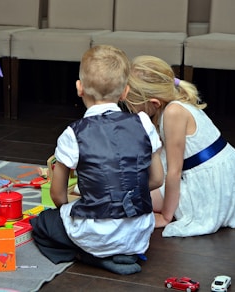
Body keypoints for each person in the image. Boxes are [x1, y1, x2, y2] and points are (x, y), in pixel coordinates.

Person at [30, 45, 164, 275]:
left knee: (42, 223)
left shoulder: (73, 133)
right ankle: (123, 254)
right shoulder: (143, 123)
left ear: (79, 88)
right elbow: (157, 179)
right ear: (125, 92)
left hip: (95, 234)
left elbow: (58, 195)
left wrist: (71, 210)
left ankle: (93, 257)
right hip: (139, 232)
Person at [124, 55, 235, 237]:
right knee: (137, 183)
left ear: (154, 103)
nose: (130, 109)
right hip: (221, 172)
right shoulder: (175, 103)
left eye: (132, 105)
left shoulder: (173, 112)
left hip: (210, 184)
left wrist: (166, 216)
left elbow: (174, 172)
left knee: (132, 196)